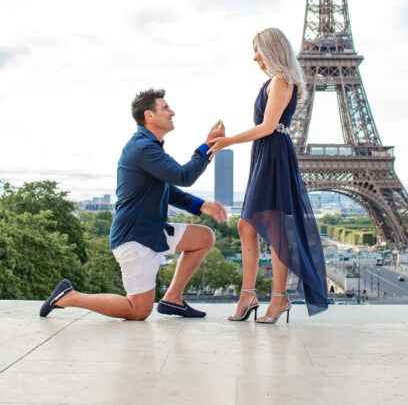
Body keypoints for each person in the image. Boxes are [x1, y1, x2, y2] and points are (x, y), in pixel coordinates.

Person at [40, 88, 227, 321]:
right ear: (149, 115)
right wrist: (208, 144)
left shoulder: (149, 147)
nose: (172, 112)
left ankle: (172, 299)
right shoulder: (142, 148)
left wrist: (201, 206)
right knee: (138, 311)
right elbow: (183, 176)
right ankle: (69, 296)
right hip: (134, 238)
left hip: (154, 232)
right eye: (166, 108)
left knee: (204, 237)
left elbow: (166, 189)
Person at [208, 28, 328, 323]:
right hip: (266, 153)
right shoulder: (274, 81)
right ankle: (250, 294)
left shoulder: (282, 80)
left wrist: (227, 142)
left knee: (271, 229)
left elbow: (267, 126)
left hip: (273, 153)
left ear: (271, 50)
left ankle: (277, 298)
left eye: (257, 51)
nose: (254, 58)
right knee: (247, 228)